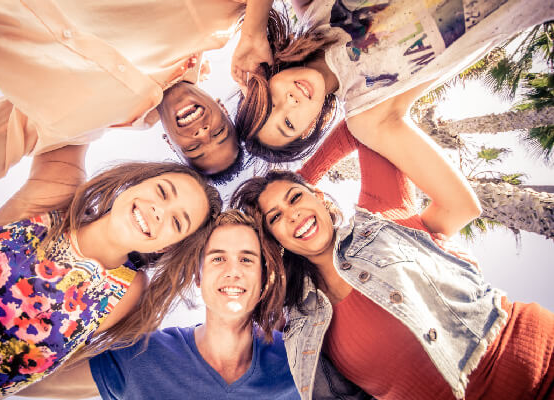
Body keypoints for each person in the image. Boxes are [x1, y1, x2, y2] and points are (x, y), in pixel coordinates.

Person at [231, 117, 554, 399]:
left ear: (320, 197)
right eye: (275, 217)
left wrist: (299, 178)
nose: (292, 214)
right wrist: (295, 192)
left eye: (296, 199)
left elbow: (360, 124)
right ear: (274, 240)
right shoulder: (299, 321)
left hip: (541, 362)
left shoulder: (381, 217)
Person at [0, 0, 271, 248]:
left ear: (172, 144)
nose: (202, 132)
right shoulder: (213, 25)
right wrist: (253, 32)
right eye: (218, 132)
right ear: (224, 111)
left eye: (196, 148)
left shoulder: (81, 126)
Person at [0, 144, 222, 399]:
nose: (160, 211)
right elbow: (71, 112)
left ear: (166, 247)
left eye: (177, 222)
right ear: (135, 182)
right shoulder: (56, 198)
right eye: (162, 192)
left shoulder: (128, 293)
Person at [16, 210, 305, 399]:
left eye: (246, 259)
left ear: (265, 278)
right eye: (217, 258)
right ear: (197, 277)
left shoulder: (300, 358)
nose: (233, 270)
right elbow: (26, 378)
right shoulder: (143, 355)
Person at [231, 0, 554, 163]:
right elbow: (459, 208)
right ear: (307, 129)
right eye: (287, 122)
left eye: (272, 102)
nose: (291, 101)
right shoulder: (367, 114)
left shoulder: (314, 10)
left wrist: (254, 32)